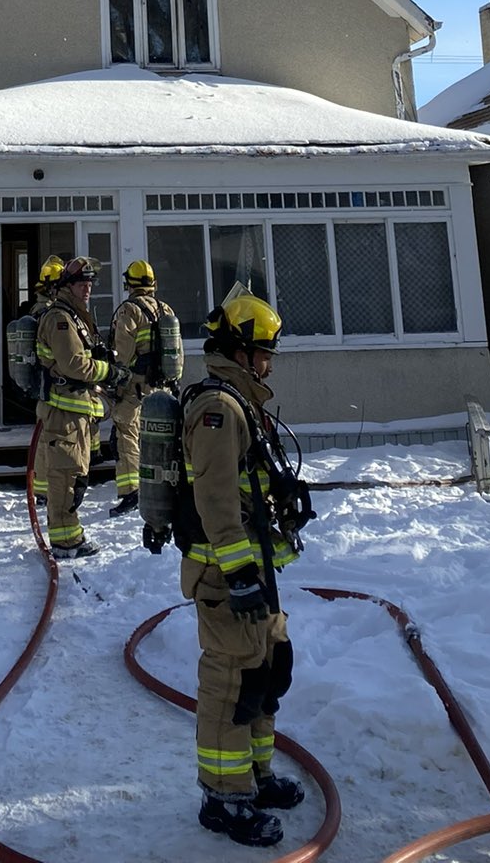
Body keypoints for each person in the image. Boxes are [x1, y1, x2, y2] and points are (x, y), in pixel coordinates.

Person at [182, 291, 308, 848]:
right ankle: (223, 798)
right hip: (225, 576)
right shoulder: (218, 409)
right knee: (232, 682)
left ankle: (255, 775)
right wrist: (237, 574)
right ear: (240, 352)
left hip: (256, 572)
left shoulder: (242, 404)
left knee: (265, 674)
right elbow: (214, 499)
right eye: (264, 354)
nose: (269, 365)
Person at [34, 255, 126, 559]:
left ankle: (69, 534)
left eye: (90, 283)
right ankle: (65, 541)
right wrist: (109, 372)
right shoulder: (60, 319)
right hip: (64, 413)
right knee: (65, 477)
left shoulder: (74, 316)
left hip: (76, 410)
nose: (87, 288)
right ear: (67, 286)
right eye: (80, 283)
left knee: (74, 475)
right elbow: (73, 364)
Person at [107, 258, 180, 516]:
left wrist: (114, 381)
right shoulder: (166, 309)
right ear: (153, 284)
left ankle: (132, 492)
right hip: (163, 386)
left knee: (126, 434)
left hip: (135, 386)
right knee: (159, 437)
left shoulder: (129, 310)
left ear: (129, 283)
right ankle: (163, 486)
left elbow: (123, 354)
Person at [29, 254, 64, 504]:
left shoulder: (41, 309)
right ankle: (42, 490)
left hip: (47, 381)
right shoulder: (48, 313)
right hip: (50, 381)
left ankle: (43, 488)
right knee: (46, 437)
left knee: (46, 436)